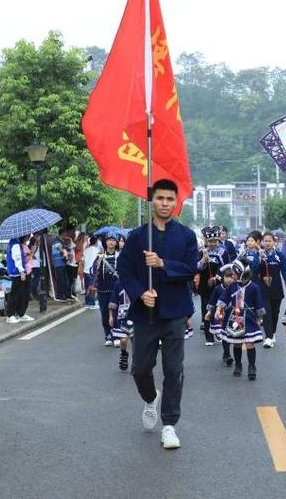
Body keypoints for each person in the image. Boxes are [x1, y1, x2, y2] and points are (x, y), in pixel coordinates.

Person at [118, 179, 198, 450]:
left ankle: (169, 425)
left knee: (174, 370)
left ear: (176, 203)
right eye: (160, 198)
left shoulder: (186, 236)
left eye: (169, 199)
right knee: (140, 368)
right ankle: (151, 398)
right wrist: (141, 292)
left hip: (175, 312)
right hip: (145, 314)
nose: (165, 203)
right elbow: (125, 270)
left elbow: (190, 269)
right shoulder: (138, 236)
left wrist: (163, 263)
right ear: (151, 201)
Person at [215, 259, 264, 380]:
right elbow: (224, 298)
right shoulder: (232, 286)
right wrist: (218, 309)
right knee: (237, 344)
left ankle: (252, 366)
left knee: (249, 343)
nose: (232, 276)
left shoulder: (254, 287)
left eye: (234, 274)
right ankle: (238, 365)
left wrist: (260, 317)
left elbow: (258, 303)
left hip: (249, 318)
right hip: (234, 318)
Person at [196, 226, 231, 346]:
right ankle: (208, 336)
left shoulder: (223, 252)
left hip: (219, 285)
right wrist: (203, 261)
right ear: (206, 241)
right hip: (205, 286)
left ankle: (219, 330)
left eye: (215, 241)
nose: (212, 243)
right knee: (206, 309)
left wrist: (218, 277)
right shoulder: (201, 252)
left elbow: (227, 267)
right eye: (210, 241)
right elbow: (197, 268)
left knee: (220, 308)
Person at [259, 231, 286, 348]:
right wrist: (259, 259)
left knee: (275, 313)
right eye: (265, 241)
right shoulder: (259, 255)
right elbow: (254, 269)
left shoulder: (279, 255)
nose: (267, 243)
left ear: (274, 242)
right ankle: (268, 337)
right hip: (263, 289)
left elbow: (285, 271)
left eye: (269, 241)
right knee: (266, 313)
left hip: (277, 289)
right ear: (262, 242)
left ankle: (272, 333)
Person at [206, 263, 237, 366]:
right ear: (222, 277)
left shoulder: (237, 288)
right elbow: (212, 300)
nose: (229, 280)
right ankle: (227, 354)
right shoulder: (218, 289)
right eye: (227, 277)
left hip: (233, 315)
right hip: (220, 315)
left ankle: (228, 353)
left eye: (232, 277)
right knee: (224, 335)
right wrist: (209, 311)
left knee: (230, 334)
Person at [93, 233, 120, 347]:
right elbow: (93, 271)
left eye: (113, 240)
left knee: (117, 311)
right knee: (104, 313)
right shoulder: (100, 255)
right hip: (103, 289)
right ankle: (107, 334)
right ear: (105, 242)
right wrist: (98, 263)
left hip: (116, 289)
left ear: (116, 243)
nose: (111, 242)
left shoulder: (120, 256)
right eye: (109, 240)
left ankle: (116, 334)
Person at [5, 234, 30, 324]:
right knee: (15, 294)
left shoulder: (14, 242)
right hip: (16, 272)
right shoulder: (15, 244)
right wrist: (21, 271)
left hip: (16, 271)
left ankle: (20, 313)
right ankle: (10, 315)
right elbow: (17, 258)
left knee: (20, 293)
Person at [108, 280, 133, 371]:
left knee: (135, 339)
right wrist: (111, 316)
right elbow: (113, 301)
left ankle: (136, 361)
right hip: (122, 314)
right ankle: (123, 353)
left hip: (135, 313)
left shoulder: (139, 281)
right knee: (123, 339)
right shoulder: (118, 284)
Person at [29, 235, 46, 314]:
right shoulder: (34, 246)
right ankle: (32, 291)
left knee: (37, 278)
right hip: (36, 265)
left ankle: (33, 291)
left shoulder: (37, 246)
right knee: (36, 278)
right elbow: (32, 255)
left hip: (38, 264)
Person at [82, 235, 100, 309]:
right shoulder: (98, 251)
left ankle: (87, 303)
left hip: (85, 271)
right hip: (93, 272)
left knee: (87, 288)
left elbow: (83, 261)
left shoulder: (85, 250)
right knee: (92, 287)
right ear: (96, 242)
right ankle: (91, 304)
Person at [51, 230, 69, 301]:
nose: (66, 235)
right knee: (61, 280)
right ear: (63, 233)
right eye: (66, 233)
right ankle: (60, 295)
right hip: (58, 264)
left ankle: (64, 294)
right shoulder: (56, 241)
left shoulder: (61, 241)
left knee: (64, 280)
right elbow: (62, 250)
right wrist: (67, 253)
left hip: (62, 263)